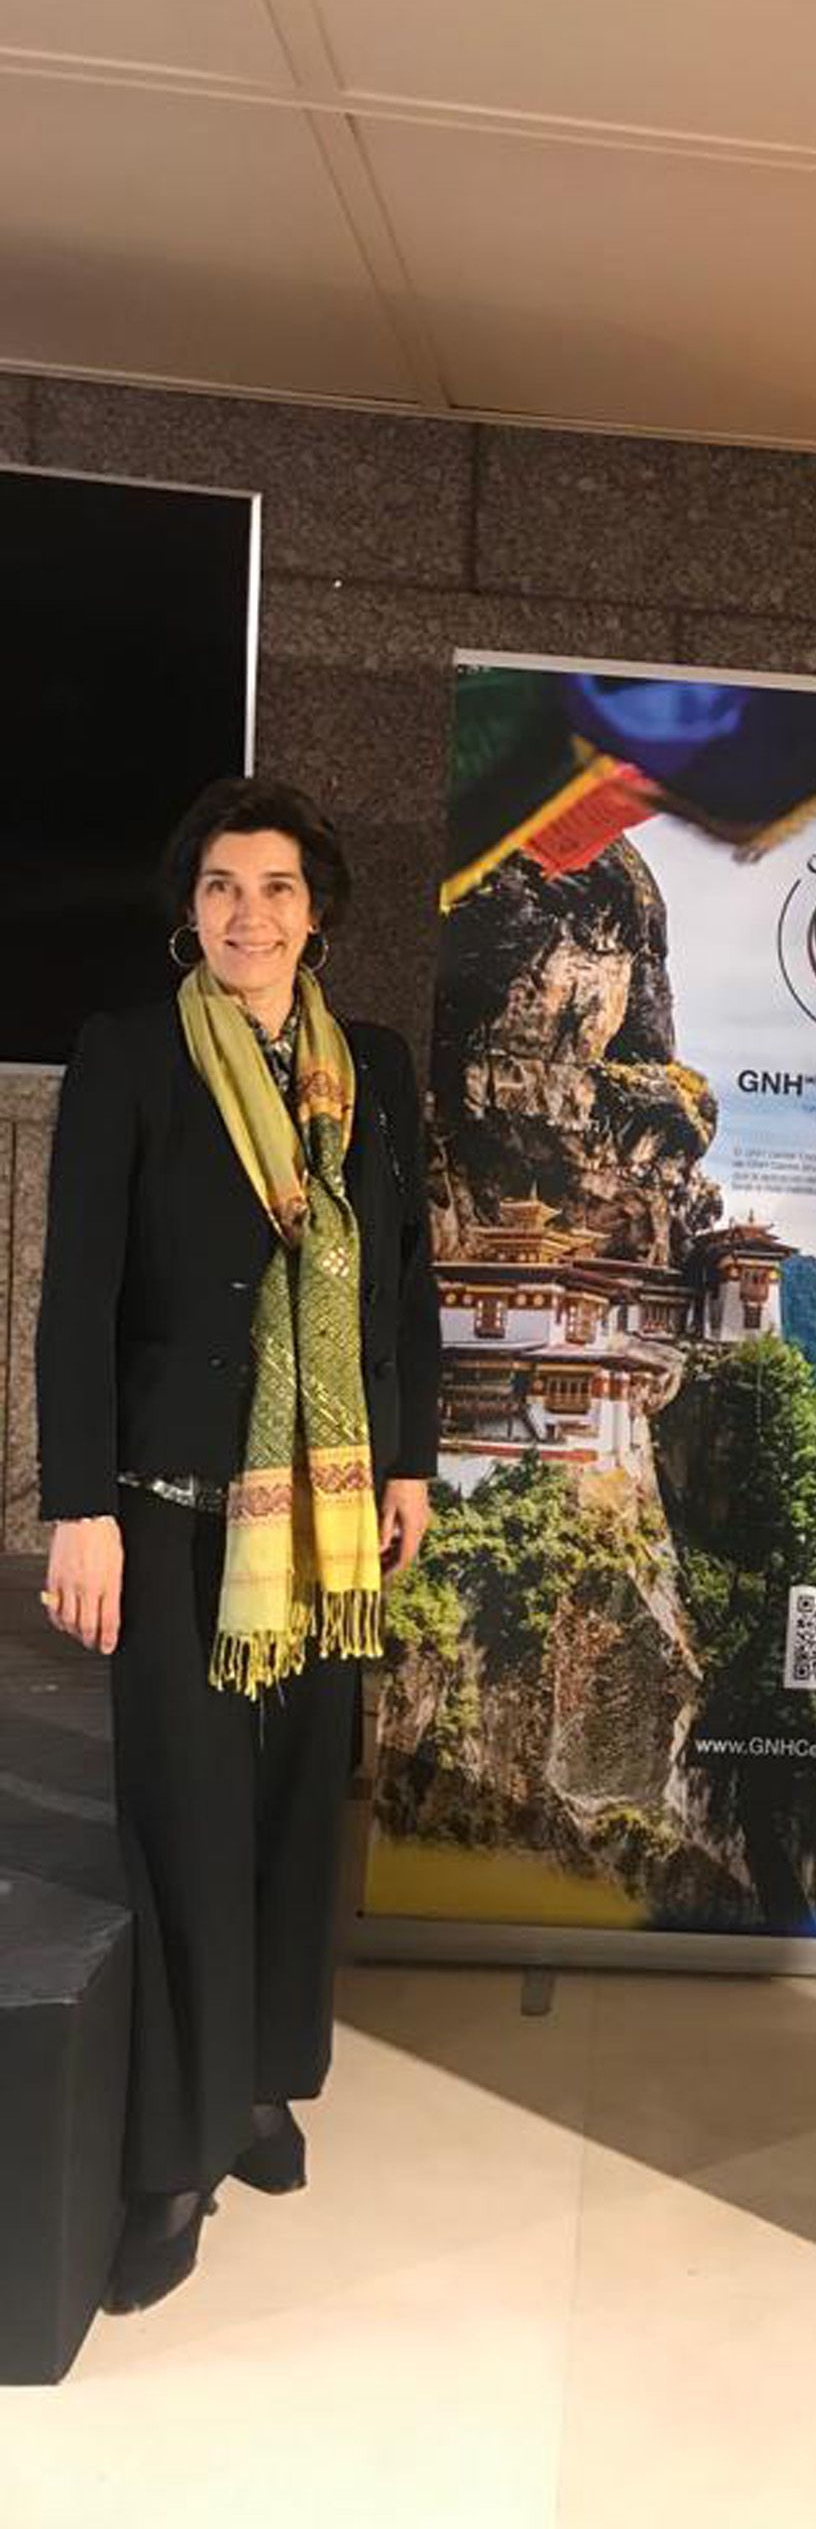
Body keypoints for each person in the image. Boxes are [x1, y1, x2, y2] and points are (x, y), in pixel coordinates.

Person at [36, 777, 440, 2314]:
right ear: (188, 909)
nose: (247, 915)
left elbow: (401, 1277)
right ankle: (171, 2159)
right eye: (220, 887)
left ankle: (263, 2085)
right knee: (184, 1826)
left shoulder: (373, 1068)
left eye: (275, 888)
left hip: (328, 1519)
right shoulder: (133, 1055)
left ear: (316, 912)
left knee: (288, 1815)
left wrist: (408, 1461)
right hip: (172, 1508)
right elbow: (77, 1292)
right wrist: (81, 1506)